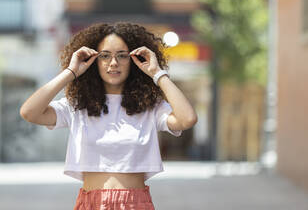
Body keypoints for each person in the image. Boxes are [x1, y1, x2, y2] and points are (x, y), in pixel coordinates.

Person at [20, 22, 198, 209]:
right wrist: (70, 72)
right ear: (93, 60)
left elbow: (187, 119)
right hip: (91, 204)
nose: (114, 63)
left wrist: (157, 73)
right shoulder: (77, 106)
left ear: (134, 60)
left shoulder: (150, 107)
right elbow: (29, 112)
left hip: (135, 204)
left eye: (122, 56)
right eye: (105, 56)